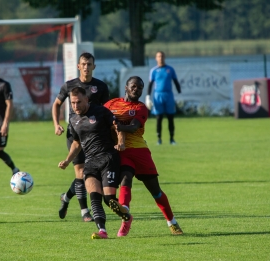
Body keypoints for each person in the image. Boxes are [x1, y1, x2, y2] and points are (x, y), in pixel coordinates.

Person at [105, 76, 183, 237]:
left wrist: (115, 125)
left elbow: (133, 127)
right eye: (133, 86)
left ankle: (172, 222)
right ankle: (125, 214)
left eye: (140, 88)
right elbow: (99, 117)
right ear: (126, 87)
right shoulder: (111, 104)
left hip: (140, 152)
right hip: (123, 151)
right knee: (125, 177)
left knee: (156, 191)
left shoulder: (141, 108)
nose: (136, 89)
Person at [58, 87, 131, 239]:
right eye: (72, 103)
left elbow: (118, 128)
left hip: (108, 158)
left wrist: (121, 142)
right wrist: (67, 160)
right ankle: (102, 231)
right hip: (90, 162)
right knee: (94, 197)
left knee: (109, 199)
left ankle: (126, 216)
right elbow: (77, 143)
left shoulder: (101, 112)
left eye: (78, 102)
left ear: (86, 99)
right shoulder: (73, 120)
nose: (75, 106)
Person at [52, 52, 110, 222]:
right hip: (75, 134)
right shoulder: (69, 85)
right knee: (80, 171)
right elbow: (56, 104)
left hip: (96, 135)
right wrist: (56, 124)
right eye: (83, 64)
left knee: (90, 174)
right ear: (78, 66)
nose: (86, 67)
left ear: (94, 66)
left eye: (89, 64)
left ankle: (66, 198)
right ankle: (85, 211)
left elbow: (107, 110)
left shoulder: (101, 87)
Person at [146, 51, 181, 145]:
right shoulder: (153, 70)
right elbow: (150, 85)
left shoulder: (170, 69)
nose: (160, 58)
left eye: (162, 56)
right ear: (156, 58)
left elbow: (176, 82)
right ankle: (159, 139)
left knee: (170, 117)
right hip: (158, 95)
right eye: (158, 56)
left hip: (169, 95)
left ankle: (172, 139)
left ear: (164, 57)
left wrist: (180, 95)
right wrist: (148, 97)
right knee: (159, 117)